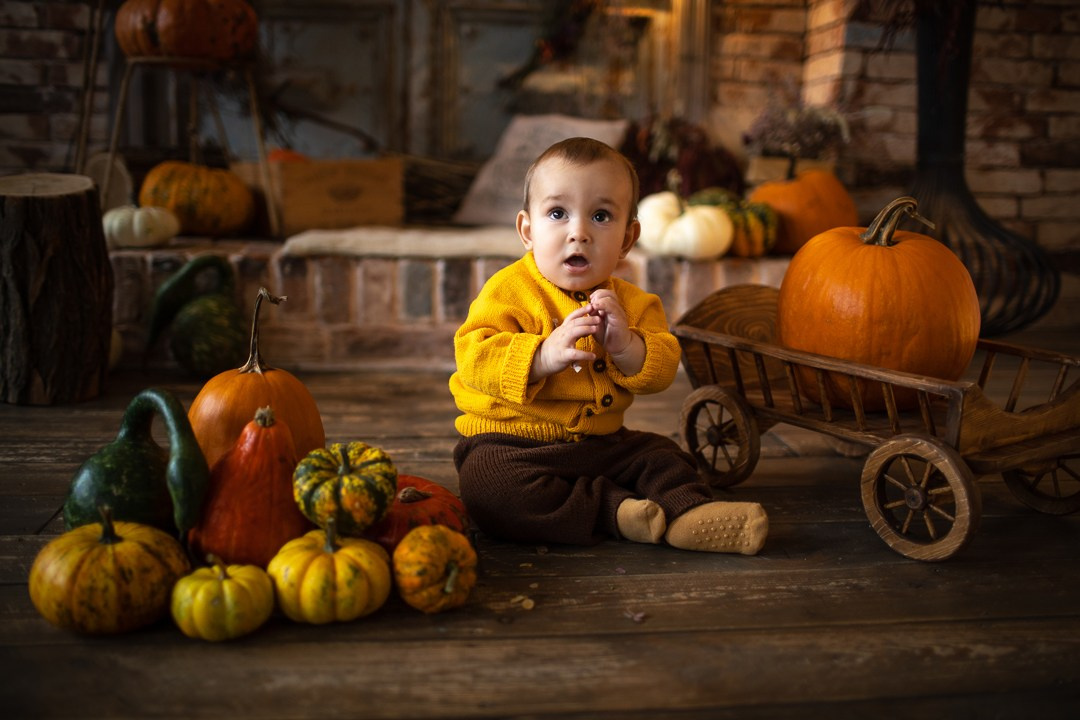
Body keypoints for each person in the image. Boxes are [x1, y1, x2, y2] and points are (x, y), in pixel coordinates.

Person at [449, 137, 768, 554]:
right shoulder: (508, 291)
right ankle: (616, 511)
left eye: (600, 216)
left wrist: (626, 345)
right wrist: (541, 357)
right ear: (528, 230)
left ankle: (688, 513)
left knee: (663, 455)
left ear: (627, 239)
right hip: (513, 444)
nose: (578, 233)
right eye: (558, 213)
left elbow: (661, 370)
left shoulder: (634, 304)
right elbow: (473, 356)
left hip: (603, 445)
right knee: (489, 490)